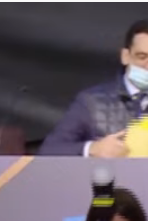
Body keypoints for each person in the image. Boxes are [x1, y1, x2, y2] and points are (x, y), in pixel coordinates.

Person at [40, 20, 148, 157]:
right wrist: (93, 148)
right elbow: (49, 150)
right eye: (142, 57)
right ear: (125, 56)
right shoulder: (92, 102)